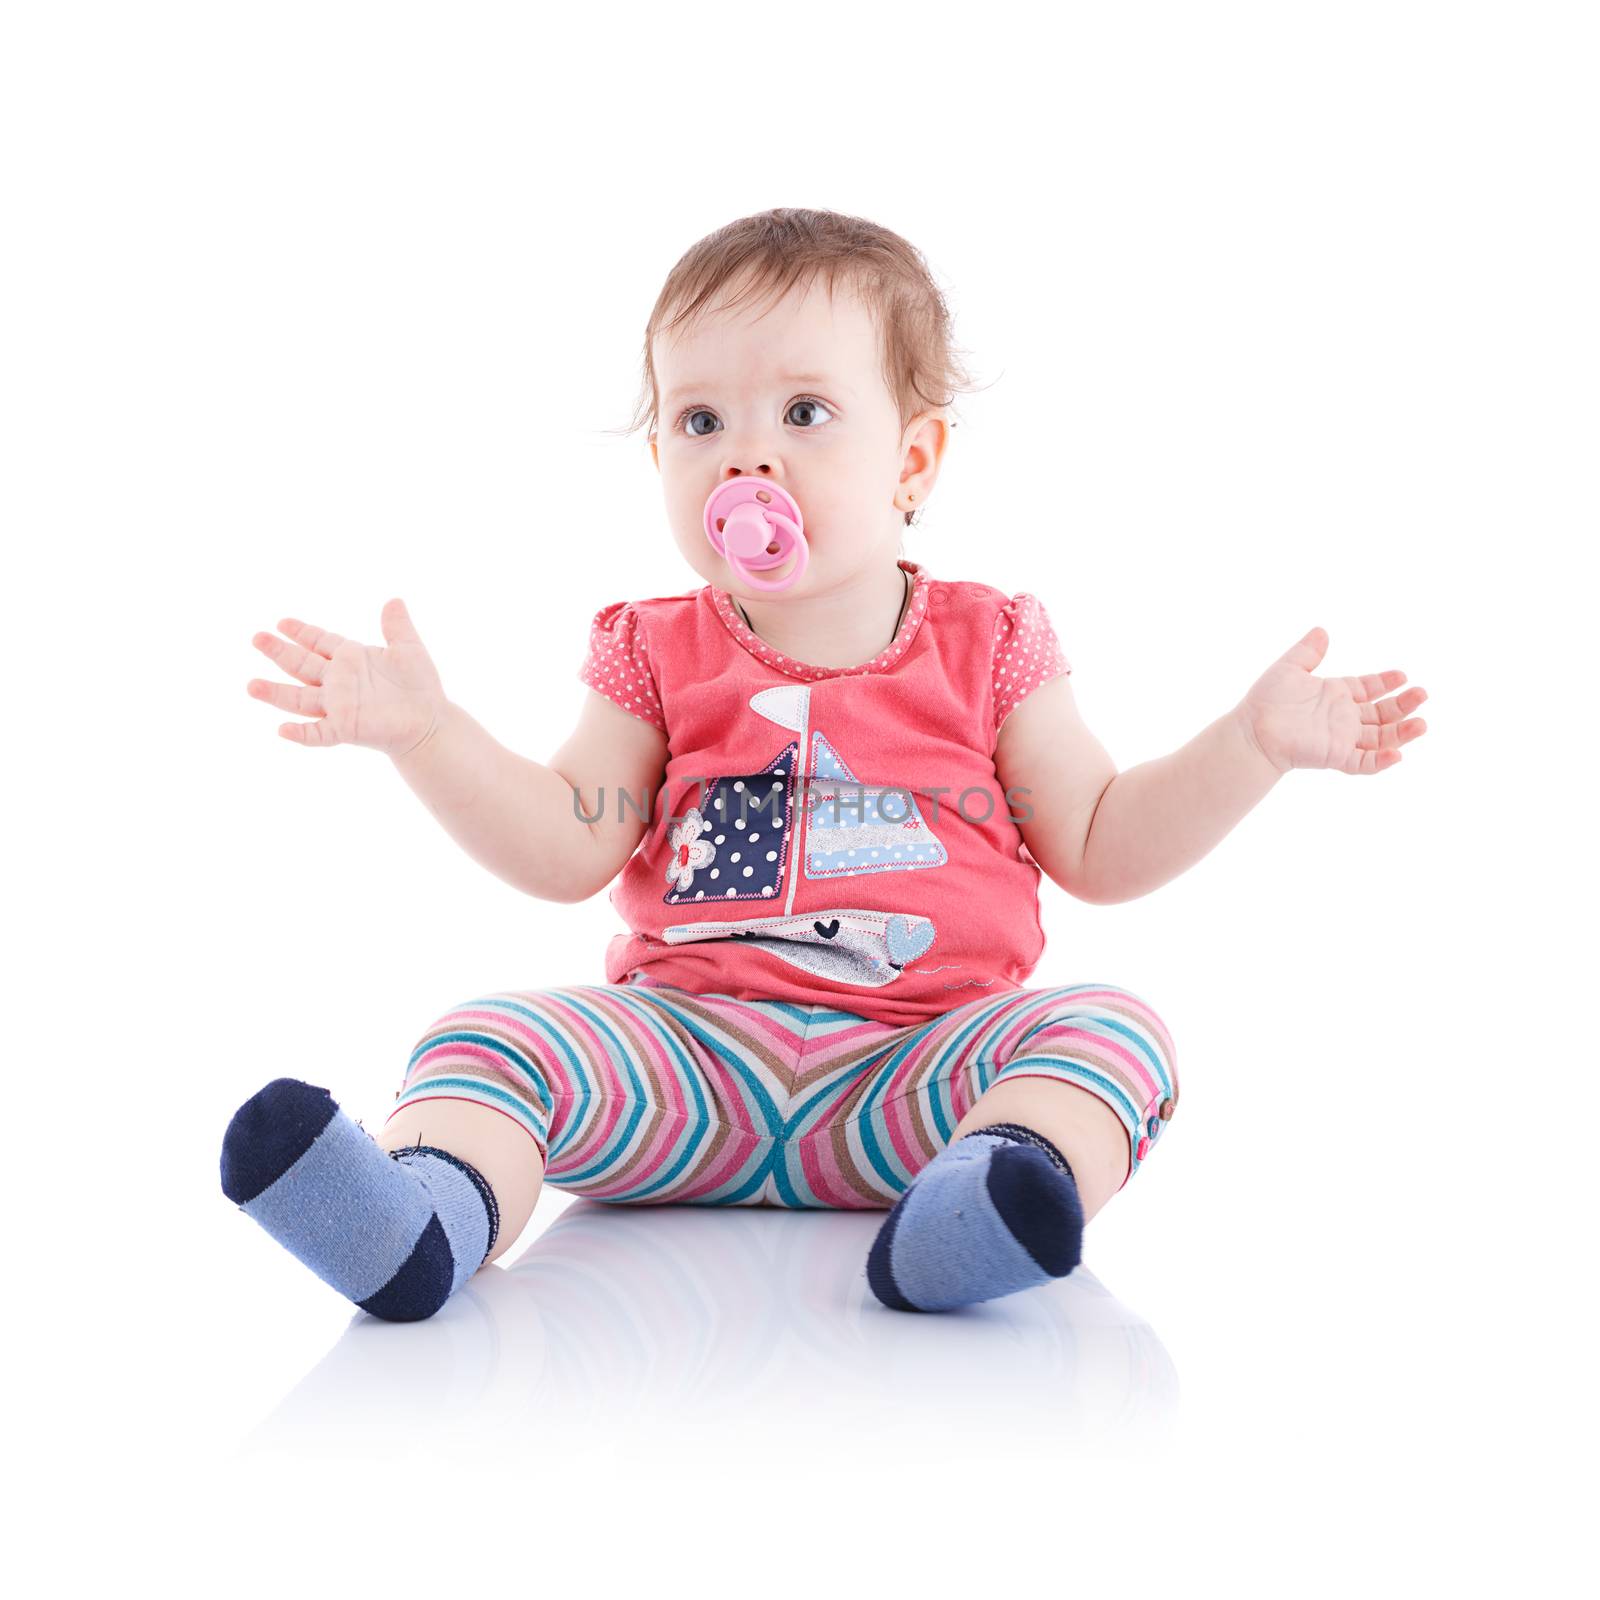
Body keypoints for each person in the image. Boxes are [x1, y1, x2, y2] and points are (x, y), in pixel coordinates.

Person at [222, 207, 1428, 1321]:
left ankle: (978, 1211)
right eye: (701, 423)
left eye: (804, 414)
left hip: (919, 1076)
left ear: (911, 461)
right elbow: (565, 841)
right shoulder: (653, 649)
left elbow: (1103, 844)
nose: (747, 462)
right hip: (684, 1070)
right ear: (661, 465)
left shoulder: (992, 642)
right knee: (488, 1035)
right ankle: (420, 1219)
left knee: (1114, 1034)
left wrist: (1251, 744)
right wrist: (428, 734)